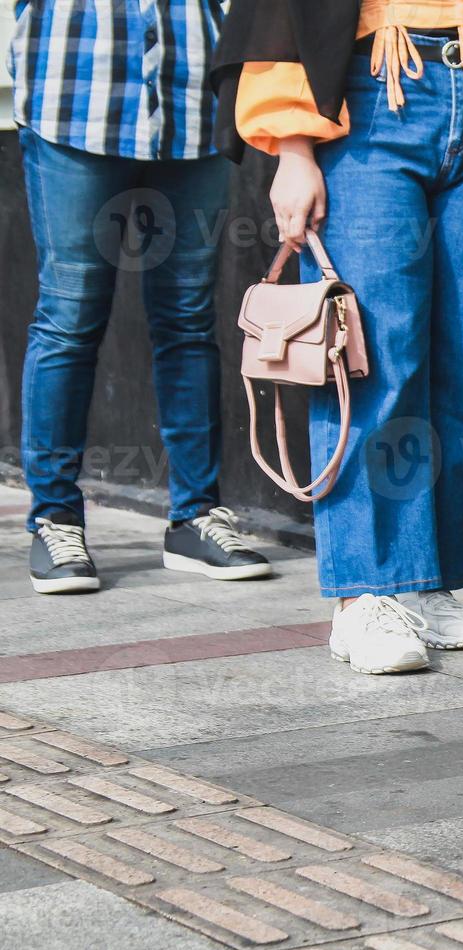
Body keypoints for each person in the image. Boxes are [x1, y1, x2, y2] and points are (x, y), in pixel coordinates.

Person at [210, 0, 463, 674]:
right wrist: (293, 146)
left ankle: (426, 581)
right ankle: (365, 592)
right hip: (366, 98)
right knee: (372, 357)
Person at [11, 0, 272, 595]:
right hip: (73, 99)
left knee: (187, 323)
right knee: (69, 318)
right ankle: (54, 519)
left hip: (194, 110)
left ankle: (195, 519)